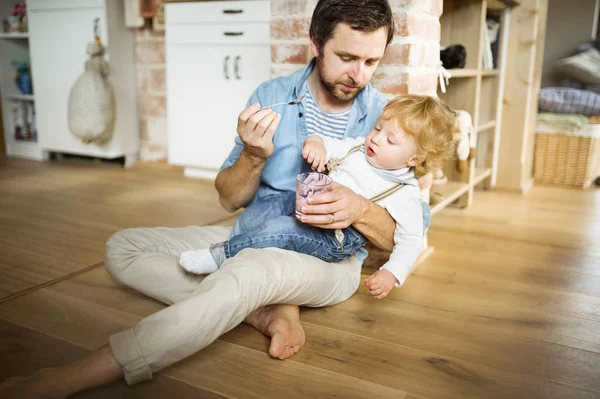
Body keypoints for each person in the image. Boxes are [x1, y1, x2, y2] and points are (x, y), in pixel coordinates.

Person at [0, 0, 406, 396]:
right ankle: (262, 311)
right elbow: (228, 199)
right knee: (122, 249)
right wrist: (252, 156)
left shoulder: (389, 121)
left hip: (328, 260)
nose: (359, 74)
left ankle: (75, 376)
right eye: (347, 57)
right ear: (316, 43)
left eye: (372, 62)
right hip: (254, 230)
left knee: (249, 267)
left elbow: (401, 236)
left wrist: (362, 208)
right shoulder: (272, 95)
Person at [179, 95, 456, 299]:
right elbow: (326, 141)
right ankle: (245, 241)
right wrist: (316, 144)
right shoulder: (359, 148)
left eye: (390, 140)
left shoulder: (405, 194)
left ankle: (220, 255)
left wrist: (391, 273)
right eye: (378, 128)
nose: (376, 138)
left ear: (414, 158)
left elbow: (410, 241)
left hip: (332, 237)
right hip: (309, 200)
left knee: (282, 230)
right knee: (268, 208)